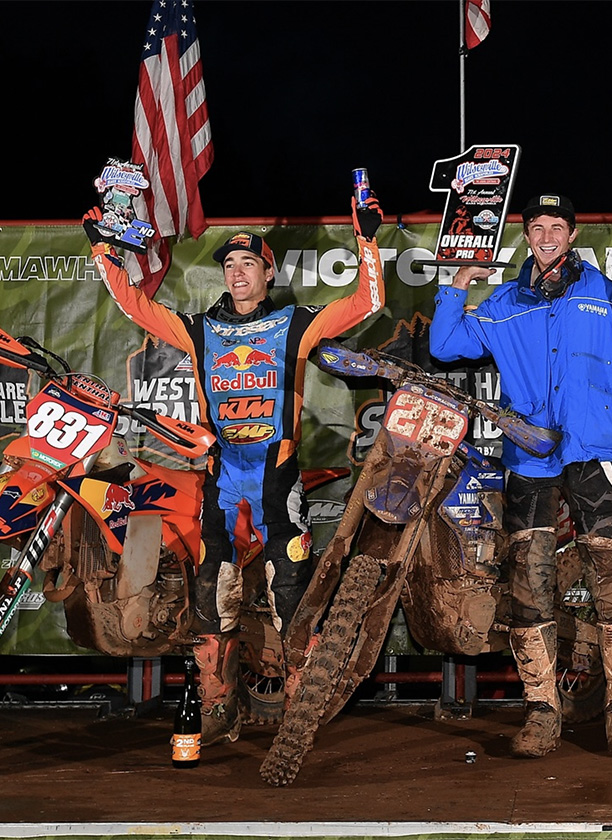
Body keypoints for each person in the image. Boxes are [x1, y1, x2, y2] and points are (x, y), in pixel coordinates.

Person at [83, 196, 386, 744]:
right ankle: (217, 704)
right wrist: (103, 248)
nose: (238, 272)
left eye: (249, 263)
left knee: (288, 585)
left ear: (269, 273)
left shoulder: (296, 323)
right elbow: (133, 305)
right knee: (210, 588)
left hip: (278, 477)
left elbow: (366, 302)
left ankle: (298, 706)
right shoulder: (198, 329)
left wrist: (367, 238)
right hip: (222, 477)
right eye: (229, 265)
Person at [429, 194, 612, 758]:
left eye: (557, 226)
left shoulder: (603, 293)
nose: (547, 235)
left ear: (571, 233)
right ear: (526, 235)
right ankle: (542, 712)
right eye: (537, 226)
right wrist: (457, 283)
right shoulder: (503, 303)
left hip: (592, 450)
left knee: (609, 575)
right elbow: (444, 346)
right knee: (529, 577)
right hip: (529, 454)